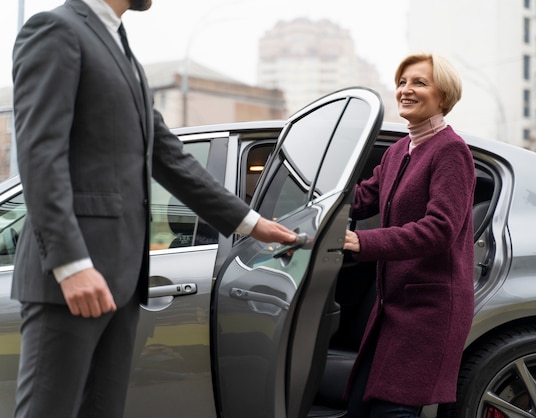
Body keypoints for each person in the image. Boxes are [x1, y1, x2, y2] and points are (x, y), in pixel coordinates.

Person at [10, 0, 296, 417]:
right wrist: (71, 265)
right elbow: (40, 156)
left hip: (122, 282)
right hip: (70, 280)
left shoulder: (119, 45)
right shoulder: (55, 30)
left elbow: (169, 156)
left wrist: (252, 224)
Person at [343, 53, 475, 417]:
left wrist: (363, 242)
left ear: (443, 95)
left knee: (392, 409)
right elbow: (361, 199)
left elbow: (440, 229)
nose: (405, 90)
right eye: (402, 82)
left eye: (418, 82)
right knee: (361, 406)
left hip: (429, 309)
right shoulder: (400, 149)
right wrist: (312, 184)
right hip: (394, 304)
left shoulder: (451, 150)